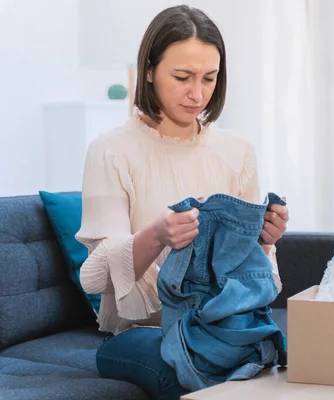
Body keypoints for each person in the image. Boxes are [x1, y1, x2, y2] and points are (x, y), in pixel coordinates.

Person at [74, 5, 289, 400]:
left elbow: (253, 281)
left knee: (284, 361)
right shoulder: (110, 151)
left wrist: (264, 241)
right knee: (192, 375)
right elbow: (95, 279)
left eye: (209, 78)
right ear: (151, 70)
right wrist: (156, 234)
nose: (198, 93)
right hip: (141, 334)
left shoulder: (237, 152)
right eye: (183, 77)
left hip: (219, 326)